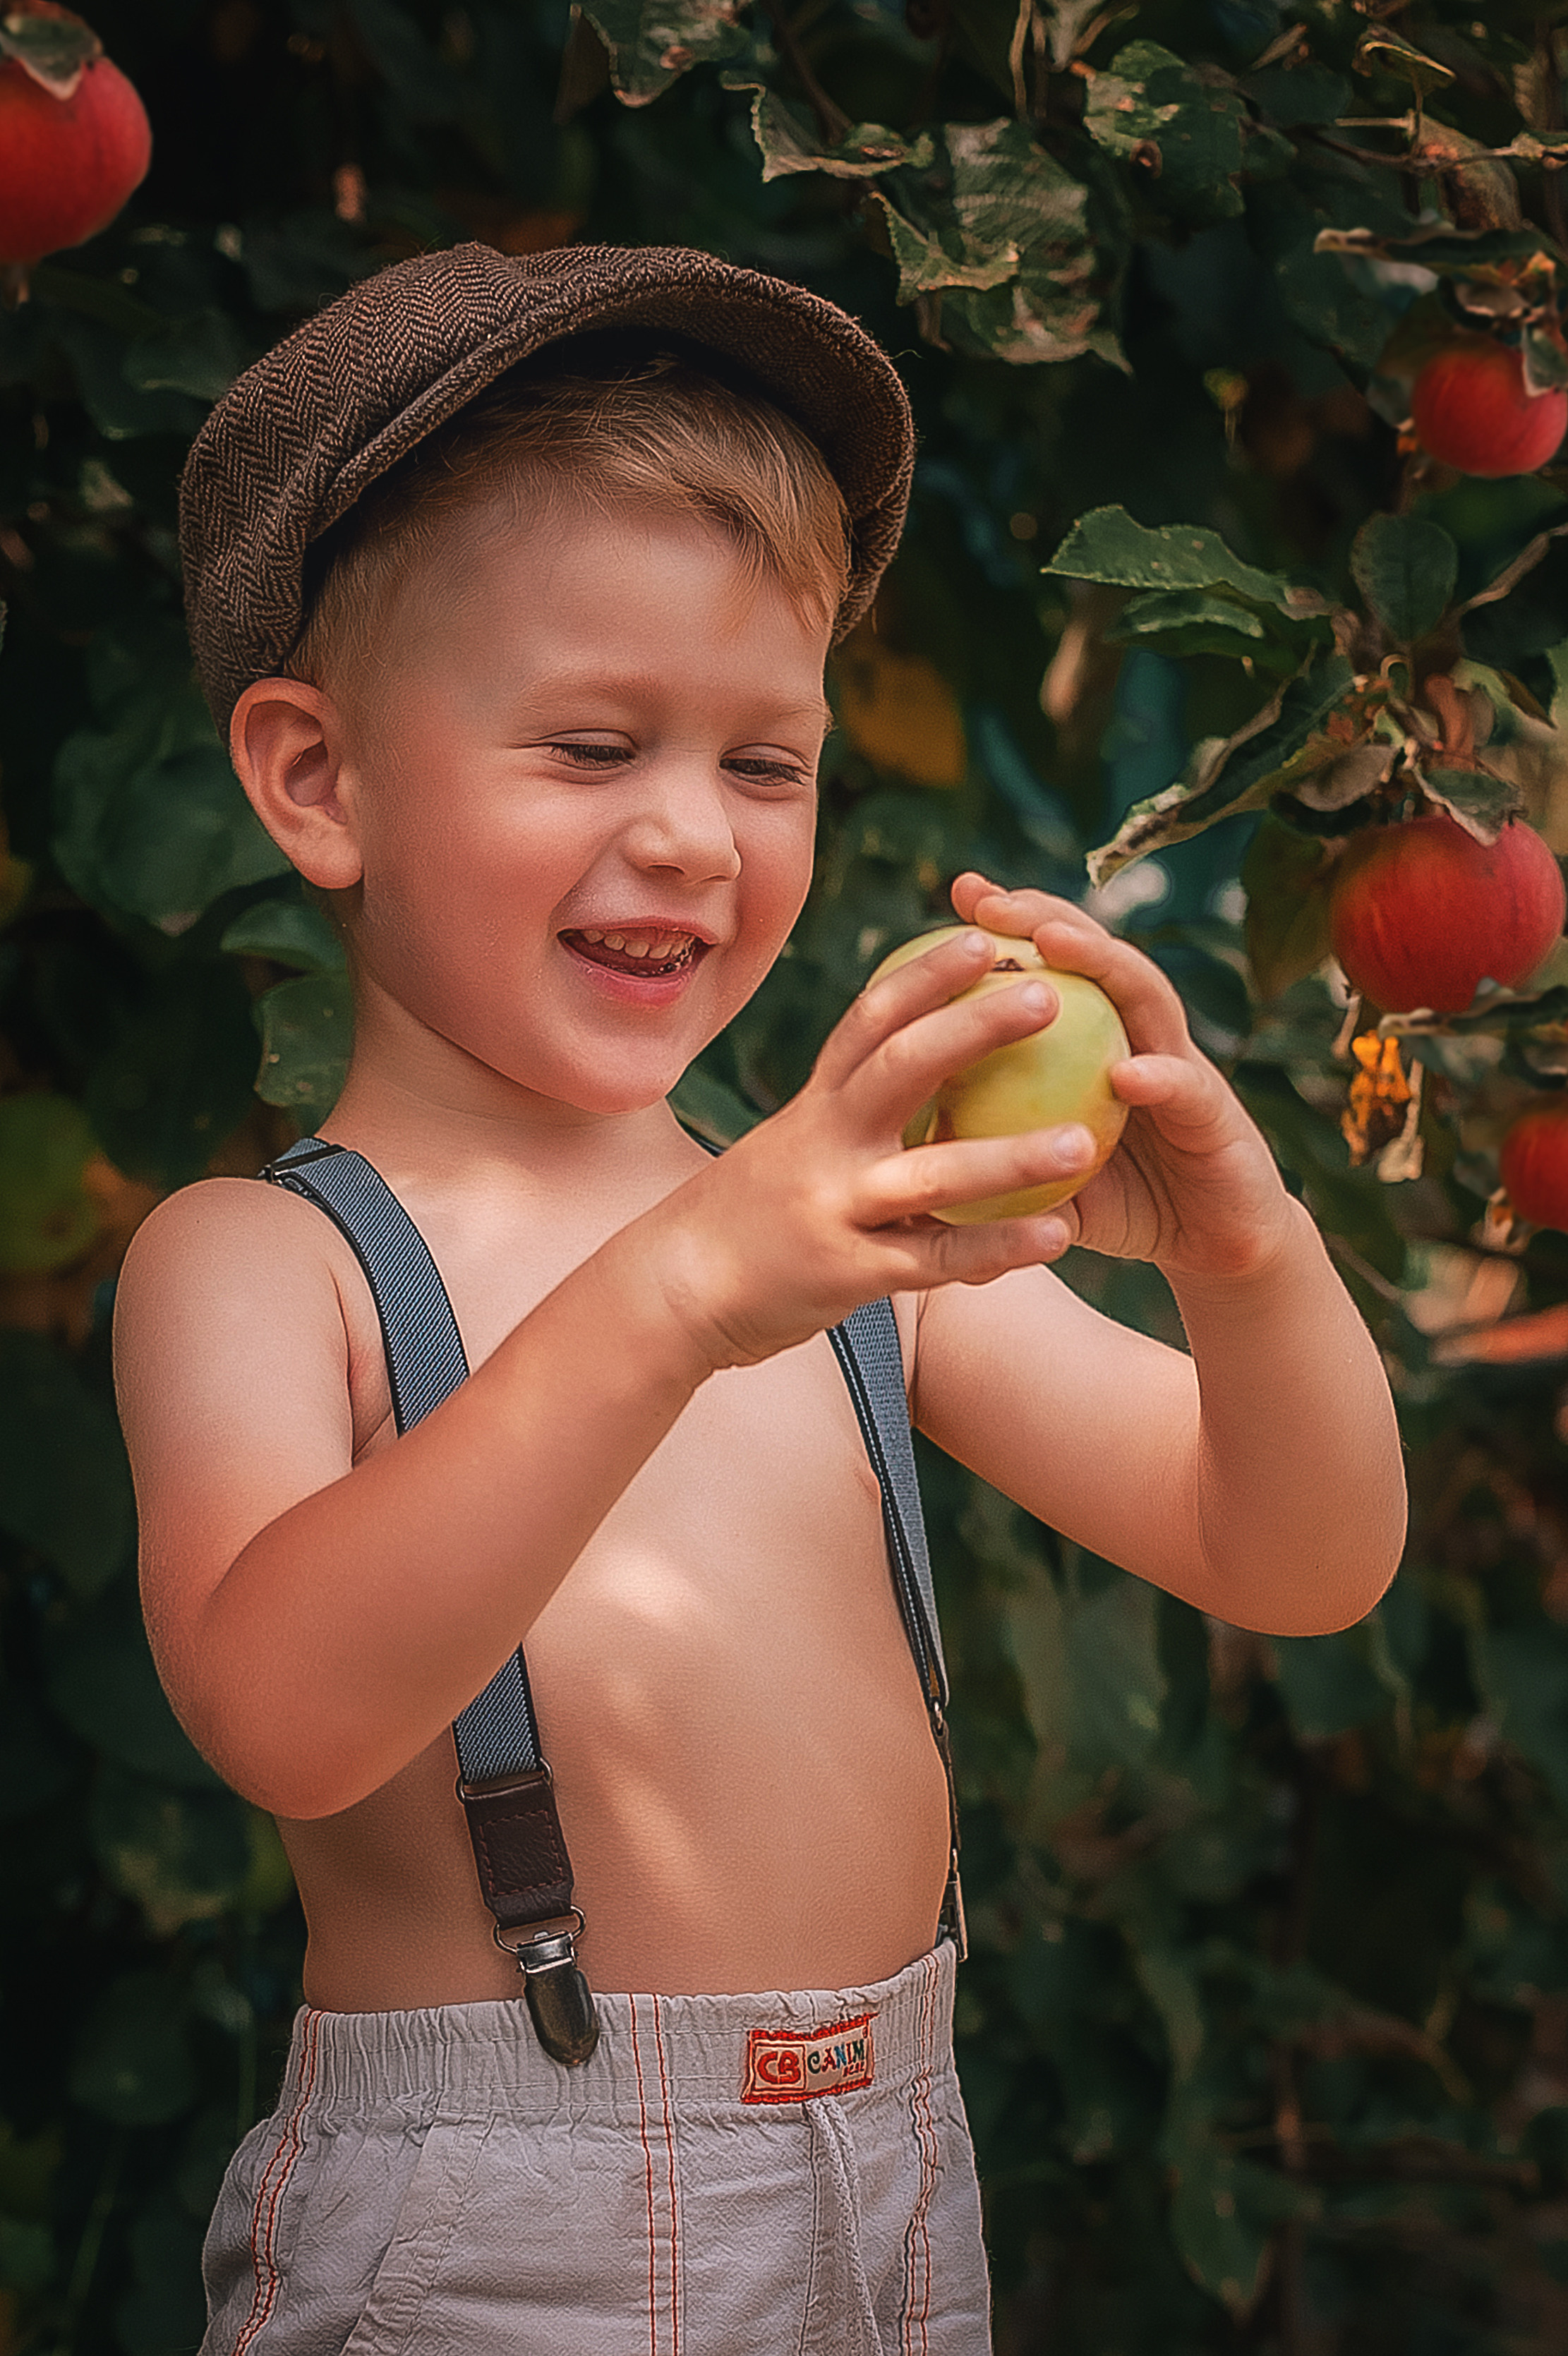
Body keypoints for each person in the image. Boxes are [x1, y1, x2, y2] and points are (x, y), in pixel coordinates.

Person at [111, 240, 1407, 2355]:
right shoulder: (268, 1260)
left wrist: (1249, 1259)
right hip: (503, 2242)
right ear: (320, 781)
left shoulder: (846, 1241)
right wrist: (687, 1289)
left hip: (897, 2187)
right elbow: (285, 1711)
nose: (695, 840)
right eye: (591, 744)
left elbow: (1300, 1557)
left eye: (764, 764)